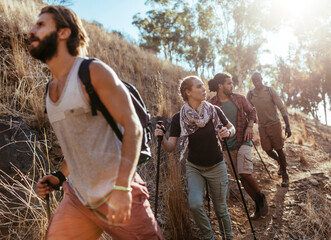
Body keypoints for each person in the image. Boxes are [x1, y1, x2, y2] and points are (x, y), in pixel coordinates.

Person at [30, 5, 163, 239]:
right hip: (78, 199)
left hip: (119, 193)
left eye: (40, 25)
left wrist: (123, 188)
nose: (31, 30)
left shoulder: (92, 72)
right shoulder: (49, 90)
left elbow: (133, 127)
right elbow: (80, 144)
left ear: (63, 32)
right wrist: (59, 176)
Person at [155, 76, 234, 240]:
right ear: (188, 92)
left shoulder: (213, 110)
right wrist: (161, 137)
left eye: (203, 86)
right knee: (195, 204)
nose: (204, 89)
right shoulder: (179, 118)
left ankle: (229, 237)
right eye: (199, 87)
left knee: (220, 209)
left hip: (216, 166)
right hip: (195, 168)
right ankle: (208, 237)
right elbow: (170, 147)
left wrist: (228, 132)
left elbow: (230, 127)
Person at [208, 72, 268, 220]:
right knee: (241, 177)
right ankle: (257, 204)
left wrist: (249, 126)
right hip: (227, 146)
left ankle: (261, 198)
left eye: (232, 83)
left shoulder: (239, 98)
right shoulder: (212, 104)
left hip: (243, 140)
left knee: (245, 172)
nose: (232, 86)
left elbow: (252, 112)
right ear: (220, 85)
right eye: (229, 83)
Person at [247, 72, 292, 187]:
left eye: (258, 80)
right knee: (267, 150)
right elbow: (248, 110)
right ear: (252, 82)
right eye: (254, 81)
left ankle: (285, 175)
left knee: (279, 149)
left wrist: (287, 125)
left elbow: (281, 107)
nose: (257, 82)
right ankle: (280, 164)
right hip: (262, 126)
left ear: (262, 79)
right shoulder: (251, 94)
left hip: (275, 124)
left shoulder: (269, 91)